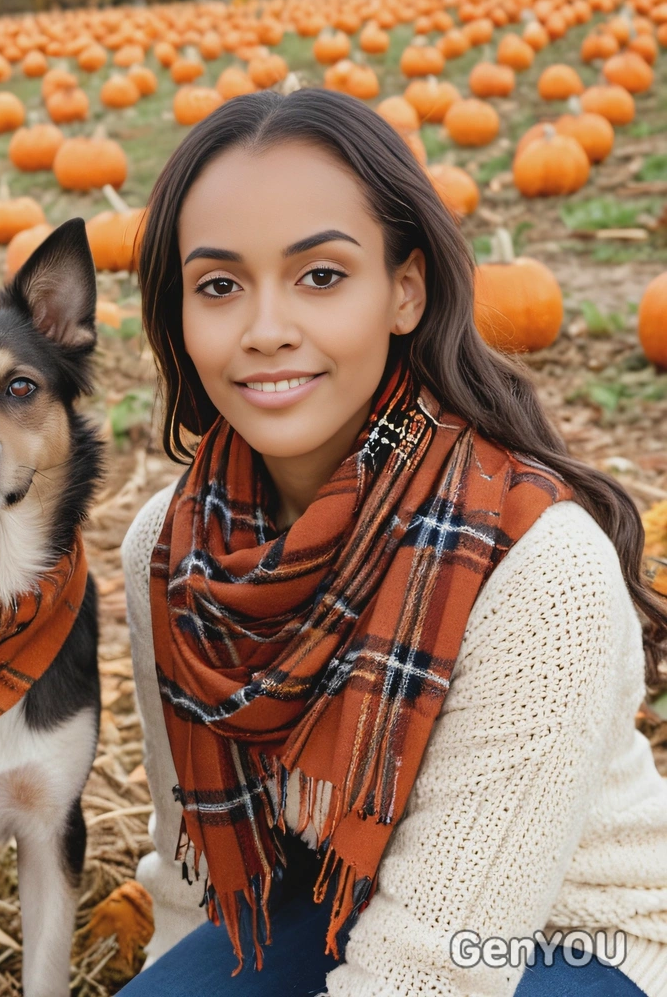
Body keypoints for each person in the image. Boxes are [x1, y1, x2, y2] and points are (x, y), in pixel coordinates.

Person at [117, 88, 667, 997]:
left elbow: (432, 971)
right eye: (219, 286)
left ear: (405, 290)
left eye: (321, 277)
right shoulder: (169, 549)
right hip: (339, 898)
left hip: (571, 937)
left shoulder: (537, 568)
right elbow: (194, 855)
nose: (265, 330)